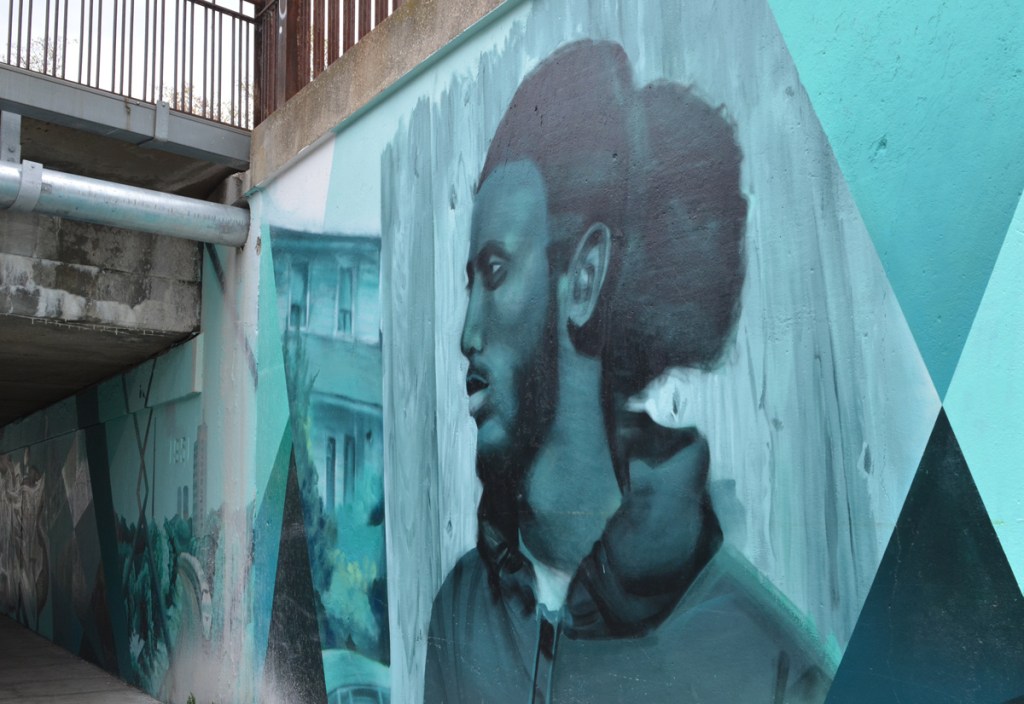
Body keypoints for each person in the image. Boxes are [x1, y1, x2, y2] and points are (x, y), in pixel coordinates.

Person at [424, 39, 833, 703]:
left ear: (584, 278)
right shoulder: (462, 613)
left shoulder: (766, 665)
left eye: (495, 273)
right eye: (471, 282)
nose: (467, 335)